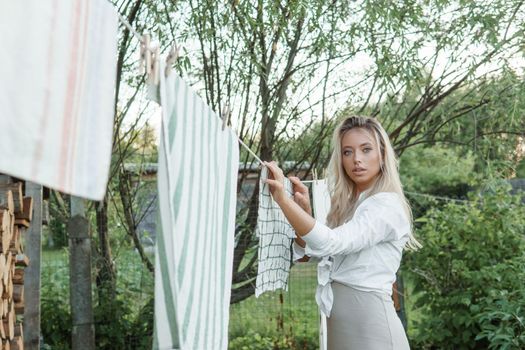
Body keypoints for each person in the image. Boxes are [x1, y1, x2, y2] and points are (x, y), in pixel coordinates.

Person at [264, 116, 421, 350]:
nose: (357, 159)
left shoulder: (385, 206)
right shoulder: (350, 205)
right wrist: (303, 211)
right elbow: (306, 253)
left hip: (371, 328)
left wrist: (284, 201)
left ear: (382, 154)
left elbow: (330, 243)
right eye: (348, 152)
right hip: (341, 327)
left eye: (366, 149)